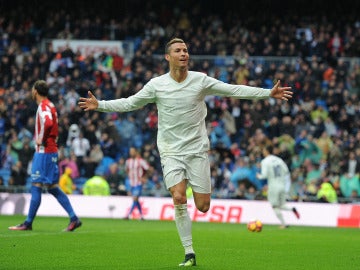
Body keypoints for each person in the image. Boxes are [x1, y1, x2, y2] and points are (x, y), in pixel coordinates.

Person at [78, 38, 293, 266]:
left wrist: (268, 93)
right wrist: (100, 104)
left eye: (186, 50)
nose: (183, 53)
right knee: (179, 197)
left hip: (196, 150)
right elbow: (131, 103)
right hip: (170, 151)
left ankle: (193, 221)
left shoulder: (200, 80)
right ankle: (189, 252)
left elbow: (233, 90)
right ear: (168, 57)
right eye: (178, 51)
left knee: (203, 206)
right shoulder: (157, 85)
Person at [9, 80, 82, 232]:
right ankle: (74, 218)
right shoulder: (51, 105)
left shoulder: (43, 107)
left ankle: (28, 223)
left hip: (44, 151)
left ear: (35, 91)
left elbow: (48, 123)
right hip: (51, 151)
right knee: (52, 187)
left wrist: (40, 139)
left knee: (36, 184)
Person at [256, 145, 300, 229]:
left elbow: (264, 175)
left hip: (273, 186)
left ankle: (284, 224)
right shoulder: (279, 160)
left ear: (266, 151)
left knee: (275, 206)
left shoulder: (265, 161)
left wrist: (259, 176)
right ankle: (292, 209)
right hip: (282, 185)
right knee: (282, 204)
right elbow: (286, 171)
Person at [124, 147, 149, 220]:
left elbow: (148, 169)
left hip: (138, 183)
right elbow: (126, 170)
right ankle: (141, 216)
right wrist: (129, 177)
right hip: (131, 183)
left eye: (132, 151)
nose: (131, 153)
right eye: (130, 151)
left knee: (135, 198)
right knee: (136, 200)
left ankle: (128, 215)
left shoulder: (140, 161)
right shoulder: (128, 161)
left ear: (136, 152)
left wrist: (144, 177)